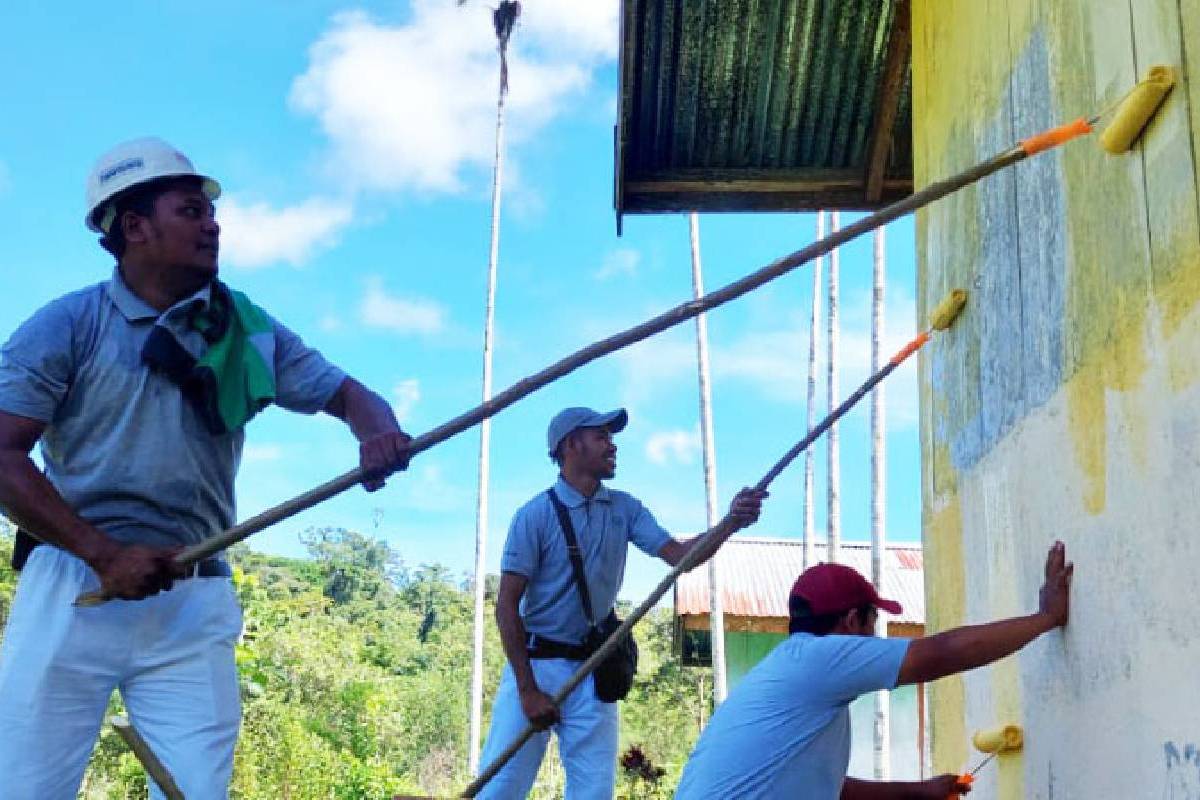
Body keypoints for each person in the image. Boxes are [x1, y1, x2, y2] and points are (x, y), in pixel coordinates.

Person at [0, 137, 412, 799]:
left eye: (210, 213)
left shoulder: (245, 328)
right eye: (190, 210)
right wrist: (103, 553)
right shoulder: (66, 326)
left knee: (196, 790)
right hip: (72, 586)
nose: (213, 223)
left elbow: (349, 394)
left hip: (193, 595)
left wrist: (378, 432)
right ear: (135, 227)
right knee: (23, 787)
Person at [476, 406, 766, 799]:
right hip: (535, 664)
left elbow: (681, 556)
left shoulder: (624, 509)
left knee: (594, 794)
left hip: (594, 668)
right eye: (602, 437)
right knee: (500, 790)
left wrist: (732, 521)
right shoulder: (535, 516)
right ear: (570, 445)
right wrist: (527, 690)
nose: (612, 446)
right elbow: (506, 606)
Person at [674, 541, 1074, 799]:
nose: (874, 636)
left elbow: (834, 790)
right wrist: (1044, 618)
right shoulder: (821, 658)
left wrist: (919, 793)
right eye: (872, 623)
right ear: (851, 622)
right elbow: (941, 653)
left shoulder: (791, 674)